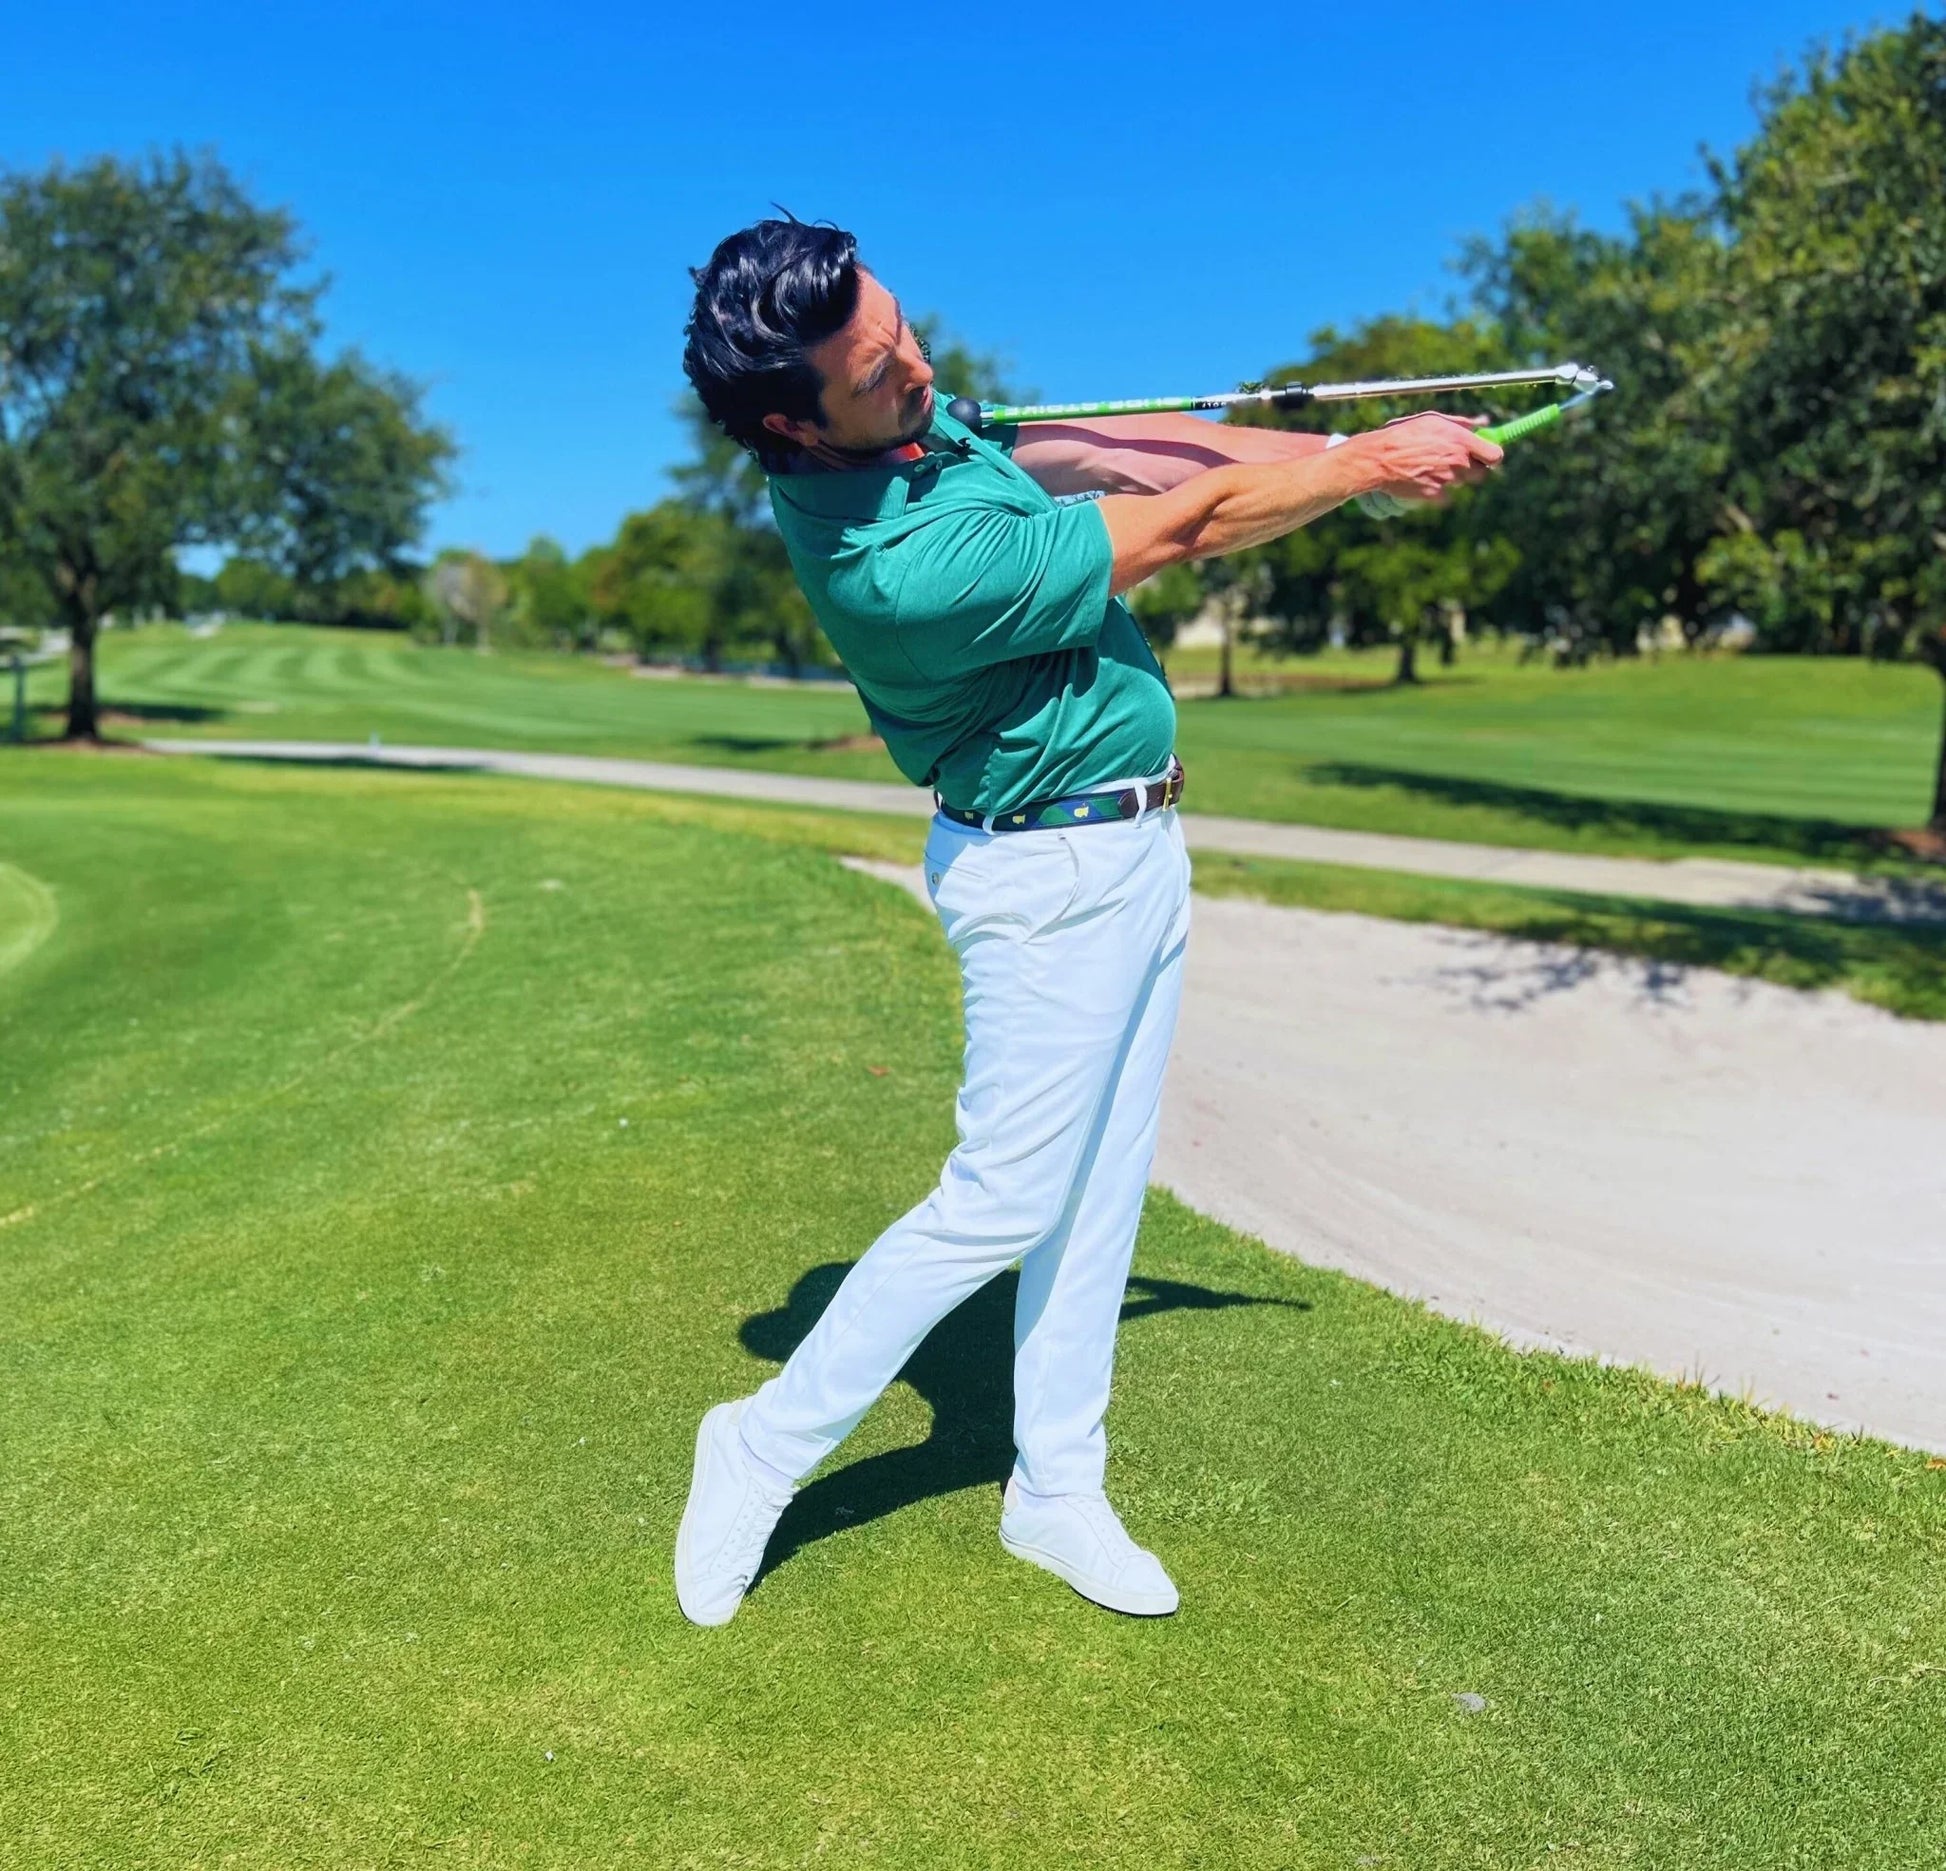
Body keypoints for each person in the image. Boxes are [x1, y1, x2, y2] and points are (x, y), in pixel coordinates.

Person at [673, 217, 1499, 1625]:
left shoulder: (901, 441)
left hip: (1135, 851)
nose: (922, 371)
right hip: (1040, 881)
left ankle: (1055, 1486)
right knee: (1000, 1197)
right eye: (880, 372)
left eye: (905, 331)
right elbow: (1168, 524)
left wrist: (1319, 466)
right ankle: (761, 1442)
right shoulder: (893, 560)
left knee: (1099, 1192)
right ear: (785, 425)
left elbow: (1126, 453)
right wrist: (1360, 465)